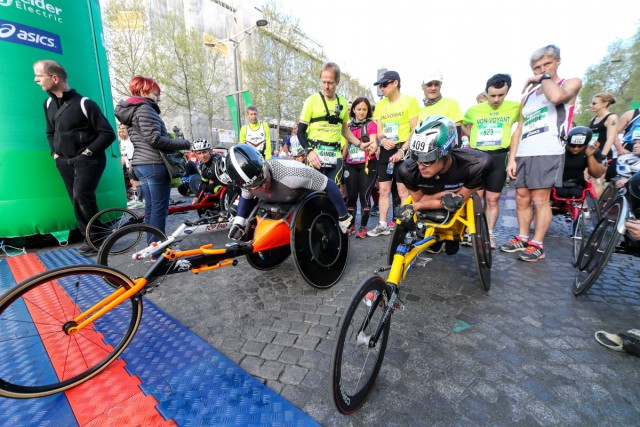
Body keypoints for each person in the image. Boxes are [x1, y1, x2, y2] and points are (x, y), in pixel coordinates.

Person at [502, 44, 582, 262]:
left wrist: (544, 77)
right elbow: (518, 129)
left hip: (548, 149)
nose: (541, 69)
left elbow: (556, 98)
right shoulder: (528, 96)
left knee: (540, 198)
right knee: (521, 197)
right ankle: (522, 236)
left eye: (546, 64)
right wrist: (512, 158)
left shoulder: (569, 83)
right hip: (525, 150)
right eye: (537, 67)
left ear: (557, 62)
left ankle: (537, 244)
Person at [34, 59, 116, 255]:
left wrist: (87, 152)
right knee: (76, 199)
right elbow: (50, 132)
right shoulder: (47, 104)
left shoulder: (84, 103)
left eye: (39, 75)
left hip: (88, 160)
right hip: (63, 161)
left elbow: (107, 133)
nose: (36, 80)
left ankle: (98, 239)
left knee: (82, 196)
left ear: (55, 78)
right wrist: (55, 153)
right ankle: (91, 238)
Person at [395, 115, 491, 253]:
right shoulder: (407, 170)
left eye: (427, 160)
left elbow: (457, 201)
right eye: (417, 159)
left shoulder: (478, 163)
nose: (421, 166)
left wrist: (418, 205)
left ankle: (451, 236)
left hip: (457, 211)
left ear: (446, 154)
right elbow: (424, 199)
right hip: (432, 208)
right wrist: (445, 195)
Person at [115, 75, 191, 240]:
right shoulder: (145, 108)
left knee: (151, 208)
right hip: (154, 164)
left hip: (142, 164)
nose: (158, 98)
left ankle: (152, 246)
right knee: (159, 208)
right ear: (143, 91)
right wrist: (183, 143)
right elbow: (154, 139)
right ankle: (157, 252)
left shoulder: (131, 110)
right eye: (156, 94)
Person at [224, 145, 352, 240]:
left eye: (263, 179)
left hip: (305, 200)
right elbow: (246, 198)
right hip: (281, 199)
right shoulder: (245, 182)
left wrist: (343, 215)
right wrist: (239, 223)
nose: (263, 185)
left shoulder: (293, 173)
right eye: (255, 186)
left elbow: (330, 184)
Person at [462, 74, 521, 248]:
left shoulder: (515, 107)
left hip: (499, 156)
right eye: (492, 95)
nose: (496, 99)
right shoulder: (474, 110)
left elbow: (522, 126)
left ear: (507, 92)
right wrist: (471, 136)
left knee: (492, 199)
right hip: (478, 156)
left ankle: (489, 234)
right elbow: (462, 123)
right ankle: (470, 231)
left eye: (501, 95)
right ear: (486, 92)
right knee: (475, 197)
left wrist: (512, 157)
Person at [368, 70, 420, 237]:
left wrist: (402, 149)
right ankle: (383, 224)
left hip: (403, 150)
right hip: (385, 150)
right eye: (380, 86)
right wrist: (382, 139)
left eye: (385, 84)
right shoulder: (381, 104)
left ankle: (405, 226)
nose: (382, 88)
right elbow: (379, 128)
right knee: (383, 190)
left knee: (403, 192)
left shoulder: (410, 101)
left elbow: (415, 130)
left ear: (395, 83)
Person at [297, 62, 361, 186]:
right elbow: (300, 132)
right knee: (315, 196)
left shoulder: (342, 101)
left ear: (337, 81)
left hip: (335, 157)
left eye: (330, 82)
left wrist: (360, 144)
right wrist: (309, 152)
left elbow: (345, 130)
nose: (326, 86)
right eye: (323, 82)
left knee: (333, 195)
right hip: (315, 156)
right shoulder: (311, 101)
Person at [344, 97, 378, 238]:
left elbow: (374, 141)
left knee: (364, 196)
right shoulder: (348, 125)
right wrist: (342, 159)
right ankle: (351, 225)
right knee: (351, 197)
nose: (361, 112)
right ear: (353, 110)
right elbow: (347, 145)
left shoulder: (371, 125)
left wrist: (373, 147)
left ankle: (363, 227)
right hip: (350, 164)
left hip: (367, 164)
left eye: (364, 109)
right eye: (359, 109)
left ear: (368, 110)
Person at [554, 126, 606, 198]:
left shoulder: (592, 150)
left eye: (580, 146)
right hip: (556, 184)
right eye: (572, 146)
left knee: (576, 193)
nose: (576, 148)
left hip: (576, 184)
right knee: (560, 192)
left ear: (585, 144)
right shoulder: (558, 149)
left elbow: (597, 175)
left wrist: (590, 156)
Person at [418, 71, 464, 146]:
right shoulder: (422, 110)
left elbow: (457, 135)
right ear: (422, 87)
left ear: (440, 86)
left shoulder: (451, 103)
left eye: (436, 84)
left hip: (446, 154)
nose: (433, 88)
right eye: (429, 85)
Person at [588, 92, 620, 193]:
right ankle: (584, 206)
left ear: (605, 104)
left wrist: (602, 156)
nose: (591, 105)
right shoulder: (593, 119)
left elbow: (611, 138)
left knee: (597, 182)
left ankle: (594, 208)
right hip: (590, 153)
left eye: (594, 103)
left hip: (602, 154)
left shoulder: (612, 117)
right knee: (586, 180)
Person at [190, 139, 227, 204]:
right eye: (199, 153)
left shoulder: (219, 160)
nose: (202, 156)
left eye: (204, 152)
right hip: (215, 190)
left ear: (210, 151)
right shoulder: (201, 165)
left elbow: (229, 182)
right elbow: (204, 183)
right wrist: (197, 197)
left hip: (226, 190)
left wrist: (212, 184)